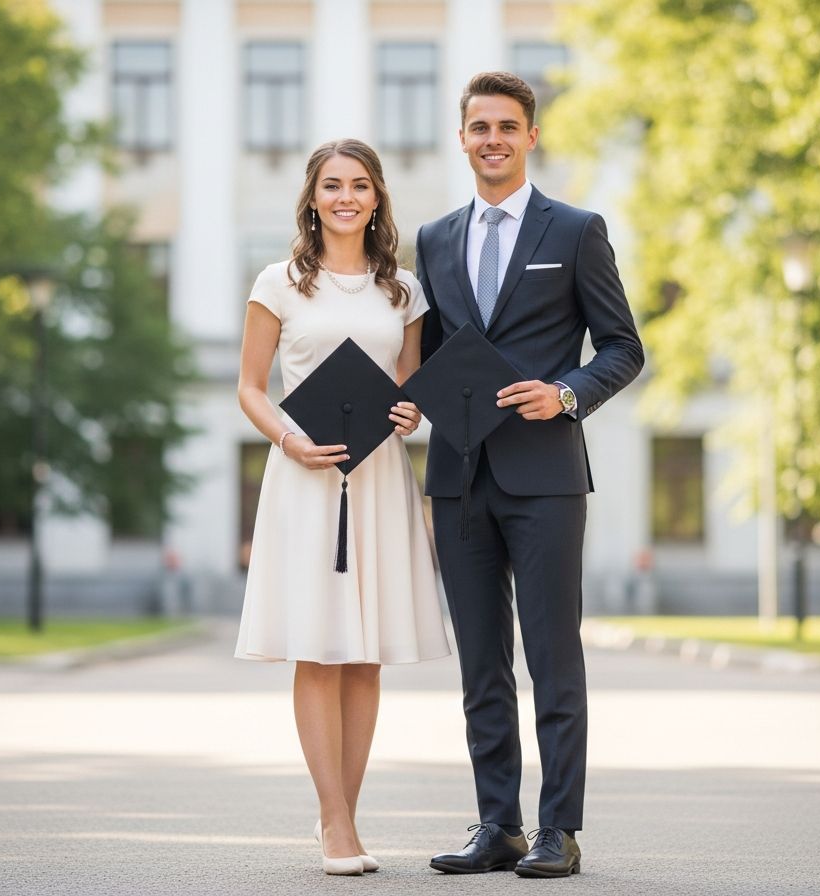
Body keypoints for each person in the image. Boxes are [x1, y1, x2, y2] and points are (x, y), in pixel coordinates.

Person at [416, 72, 644, 878]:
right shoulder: (434, 238)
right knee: (481, 663)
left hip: (546, 477)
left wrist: (567, 393)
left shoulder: (576, 230)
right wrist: (406, 403)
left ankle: (559, 830)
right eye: (479, 127)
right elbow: (437, 351)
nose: (493, 140)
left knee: (552, 657)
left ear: (531, 137)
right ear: (463, 137)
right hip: (457, 474)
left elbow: (623, 347)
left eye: (507, 127)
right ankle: (497, 824)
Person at [235, 138, 451, 876]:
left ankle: (345, 818)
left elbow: (411, 385)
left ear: (378, 198)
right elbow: (251, 388)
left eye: (360, 184)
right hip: (305, 479)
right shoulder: (279, 283)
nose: (346, 197)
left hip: (380, 480)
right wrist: (291, 440)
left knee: (364, 657)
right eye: (333, 185)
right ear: (313, 197)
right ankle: (333, 822)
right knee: (319, 648)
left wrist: (410, 414)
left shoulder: (405, 293)